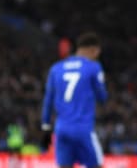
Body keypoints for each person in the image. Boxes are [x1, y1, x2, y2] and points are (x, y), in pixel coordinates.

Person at [41, 33, 107, 168]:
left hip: (62, 130)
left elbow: (48, 101)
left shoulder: (56, 69)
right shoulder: (94, 67)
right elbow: (102, 97)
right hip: (83, 129)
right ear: (93, 50)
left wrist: (46, 127)